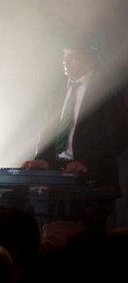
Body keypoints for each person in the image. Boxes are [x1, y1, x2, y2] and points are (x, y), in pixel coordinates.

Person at [22, 37, 128, 187]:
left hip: (94, 179)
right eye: (64, 56)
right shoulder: (59, 91)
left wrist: (86, 163)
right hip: (57, 176)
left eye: (72, 56)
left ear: (90, 58)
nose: (65, 61)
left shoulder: (105, 88)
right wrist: (42, 159)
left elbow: (120, 135)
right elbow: (50, 132)